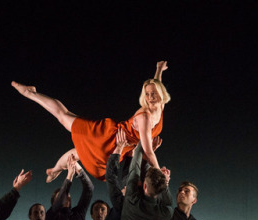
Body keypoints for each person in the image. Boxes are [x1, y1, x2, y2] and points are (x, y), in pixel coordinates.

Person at [12, 61, 170, 181]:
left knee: (82, 152)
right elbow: (148, 151)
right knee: (64, 116)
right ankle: (30, 93)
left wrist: (158, 69)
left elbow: (158, 83)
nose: (150, 98)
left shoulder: (160, 106)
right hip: (107, 137)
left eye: (153, 94)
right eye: (147, 94)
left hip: (118, 148)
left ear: (161, 94)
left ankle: (55, 169)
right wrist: (159, 174)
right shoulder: (145, 116)